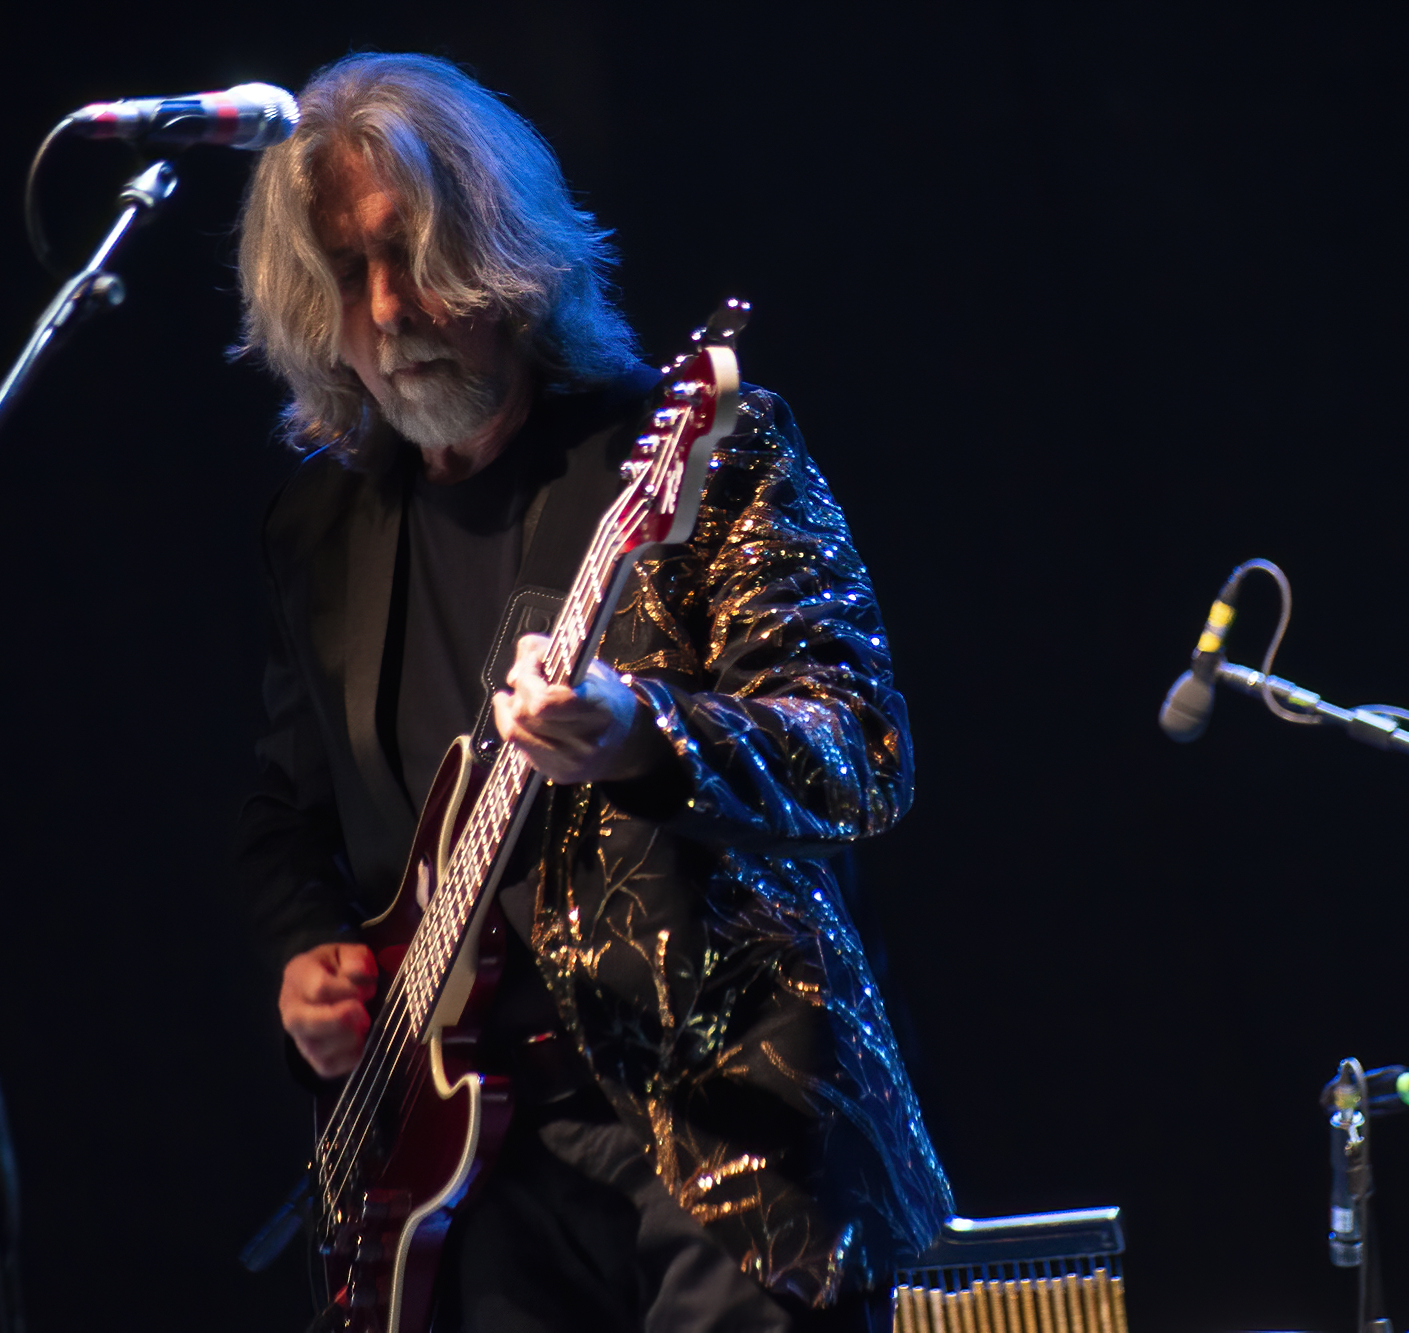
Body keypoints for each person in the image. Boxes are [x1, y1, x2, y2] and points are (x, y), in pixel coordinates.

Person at [233, 52, 951, 1332]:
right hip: (465, 1185)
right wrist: (304, 956)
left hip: (729, 1136)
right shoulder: (319, 531)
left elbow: (857, 748)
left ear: (500, 255)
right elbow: (287, 811)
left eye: (411, 255)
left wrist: (640, 734)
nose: (386, 310)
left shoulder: (694, 454)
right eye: (345, 273)